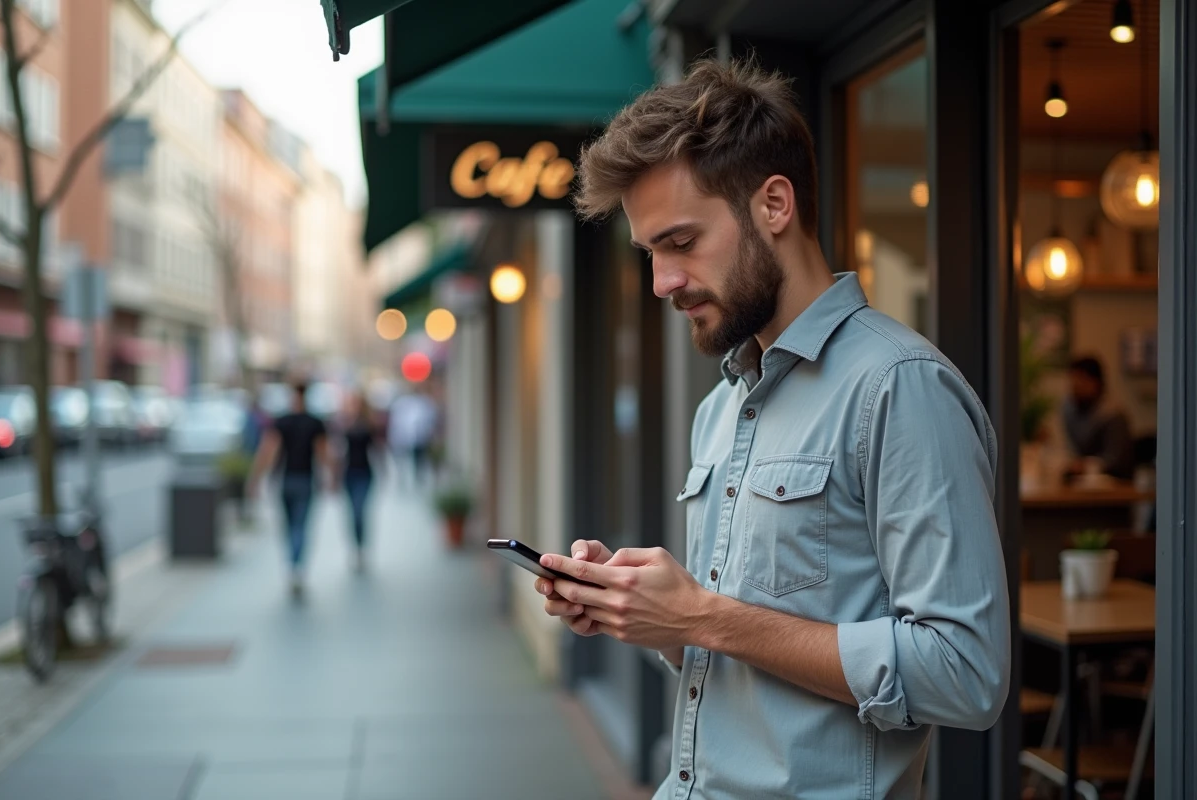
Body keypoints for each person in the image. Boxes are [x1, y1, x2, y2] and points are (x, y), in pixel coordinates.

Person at [534, 59, 1010, 799]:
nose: (661, 282)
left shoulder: (899, 388)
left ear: (775, 205)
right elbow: (745, 644)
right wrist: (655, 616)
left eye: (682, 242)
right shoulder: (719, 407)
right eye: (651, 253)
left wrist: (704, 615)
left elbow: (966, 673)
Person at [248, 381, 331, 599]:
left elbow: (268, 451)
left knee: (289, 526)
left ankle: (293, 566)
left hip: (286, 480)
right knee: (300, 526)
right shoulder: (315, 422)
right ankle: (297, 568)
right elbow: (323, 454)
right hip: (305, 479)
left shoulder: (282, 421)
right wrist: (331, 477)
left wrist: (256, 479)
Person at [1061, 355, 1135, 481]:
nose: (1075, 386)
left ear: (1096, 382)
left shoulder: (1112, 415)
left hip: (1115, 485)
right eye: (1073, 380)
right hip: (1084, 484)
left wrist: (1086, 466)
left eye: (1081, 380)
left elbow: (1116, 460)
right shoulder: (1070, 410)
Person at [339, 392, 384, 572]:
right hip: (348, 474)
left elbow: (377, 448)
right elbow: (338, 451)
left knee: (360, 512)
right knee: (352, 513)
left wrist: (385, 470)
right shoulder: (344, 424)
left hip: (365, 474)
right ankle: (356, 548)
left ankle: (361, 548)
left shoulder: (369, 425)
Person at [386, 384, 438, 488]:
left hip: (418, 438)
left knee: (417, 460)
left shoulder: (423, 403)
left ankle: (416, 478)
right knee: (402, 460)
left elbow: (429, 422)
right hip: (403, 439)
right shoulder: (402, 404)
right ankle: (404, 478)